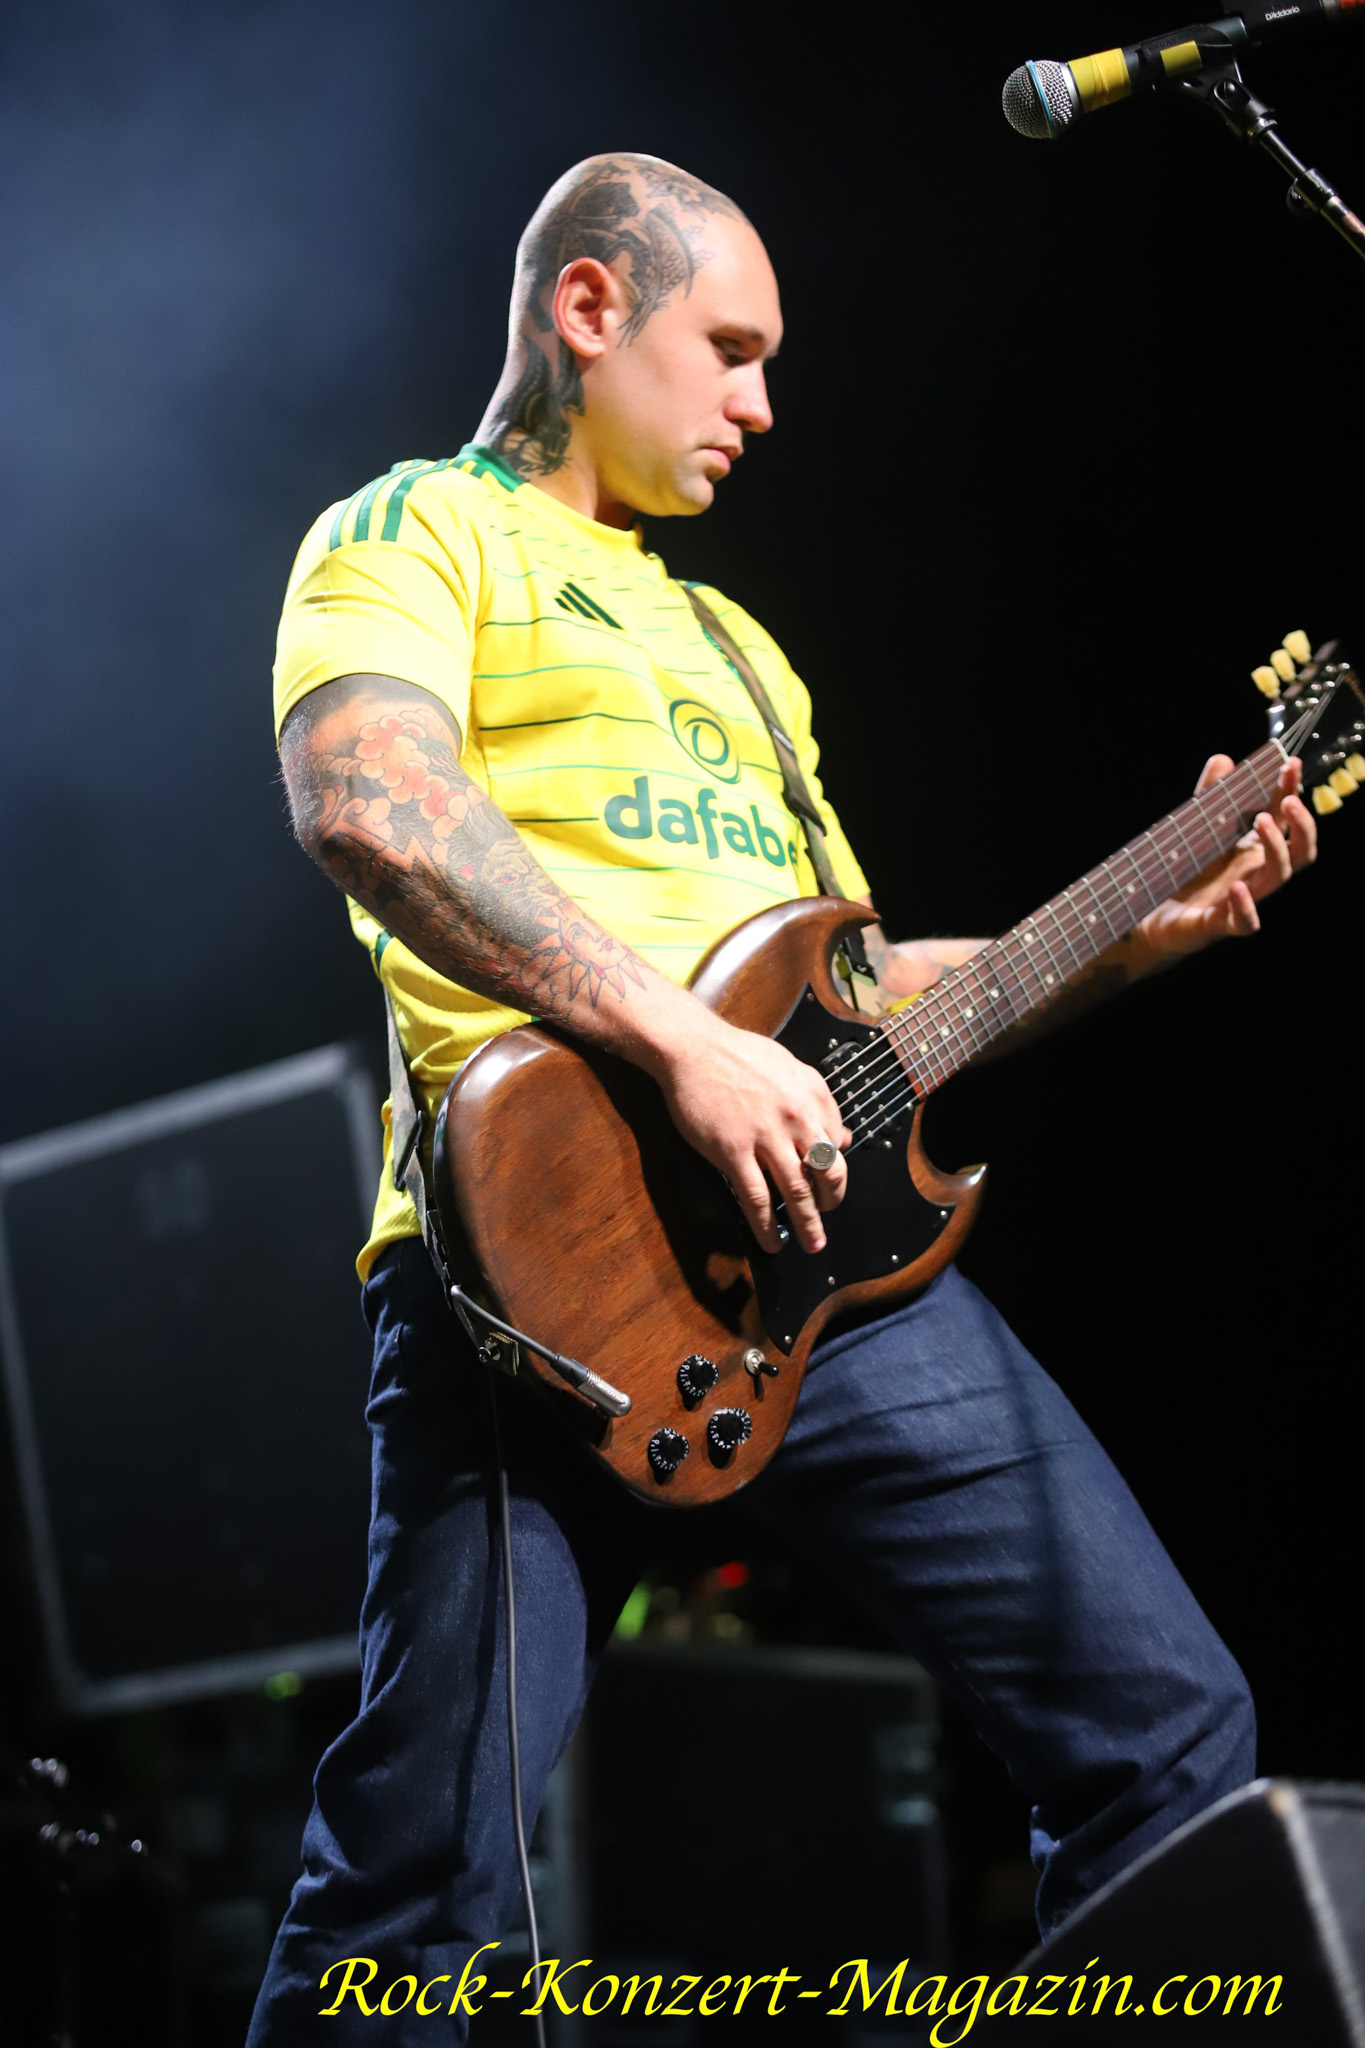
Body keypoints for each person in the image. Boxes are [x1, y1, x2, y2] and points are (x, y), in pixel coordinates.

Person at [248, 154, 1315, 2042]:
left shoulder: (741, 651)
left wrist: (1134, 933)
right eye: (729, 349)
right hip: (540, 1270)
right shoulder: (415, 529)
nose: (761, 403)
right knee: (423, 1897)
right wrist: (679, 1041)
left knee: (1168, 1739)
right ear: (590, 309)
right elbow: (369, 800)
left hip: (828, 1274)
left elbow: (853, 1001)